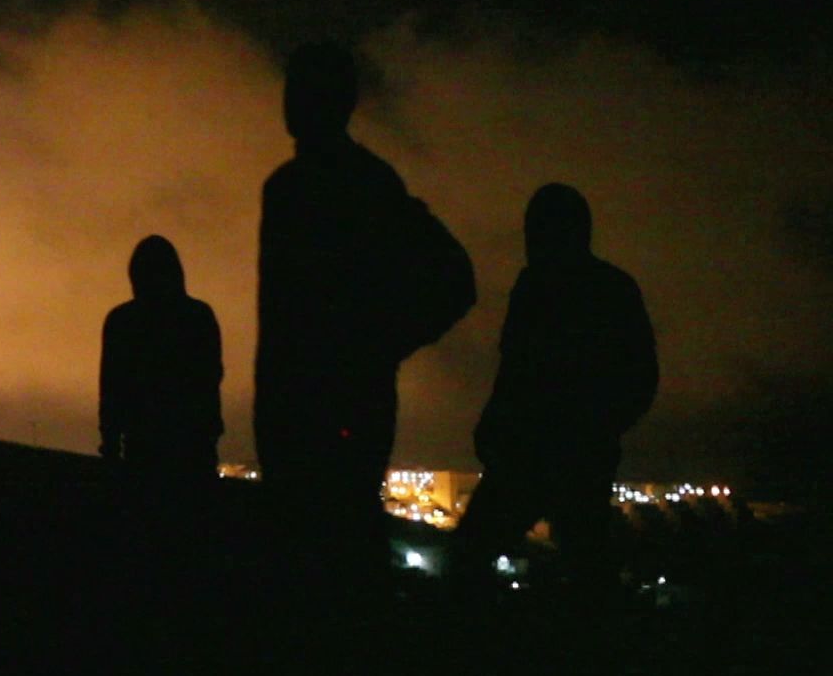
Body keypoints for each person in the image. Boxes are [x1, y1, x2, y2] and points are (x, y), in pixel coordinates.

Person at [253, 42, 474, 578]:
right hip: (321, 410)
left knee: (329, 557)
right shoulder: (332, 184)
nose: (289, 101)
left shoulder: (349, 186)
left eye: (300, 89)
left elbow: (454, 280)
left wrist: (377, 347)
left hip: (326, 411)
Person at [455, 184, 657, 587]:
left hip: (541, 455)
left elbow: (516, 371)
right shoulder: (599, 287)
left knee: (472, 559)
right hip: (562, 456)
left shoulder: (546, 288)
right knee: (585, 569)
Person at [99, 235, 224, 543]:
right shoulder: (198, 317)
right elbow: (210, 379)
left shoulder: (121, 321)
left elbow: (111, 390)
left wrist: (111, 448)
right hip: (193, 451)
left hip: (143, 452)